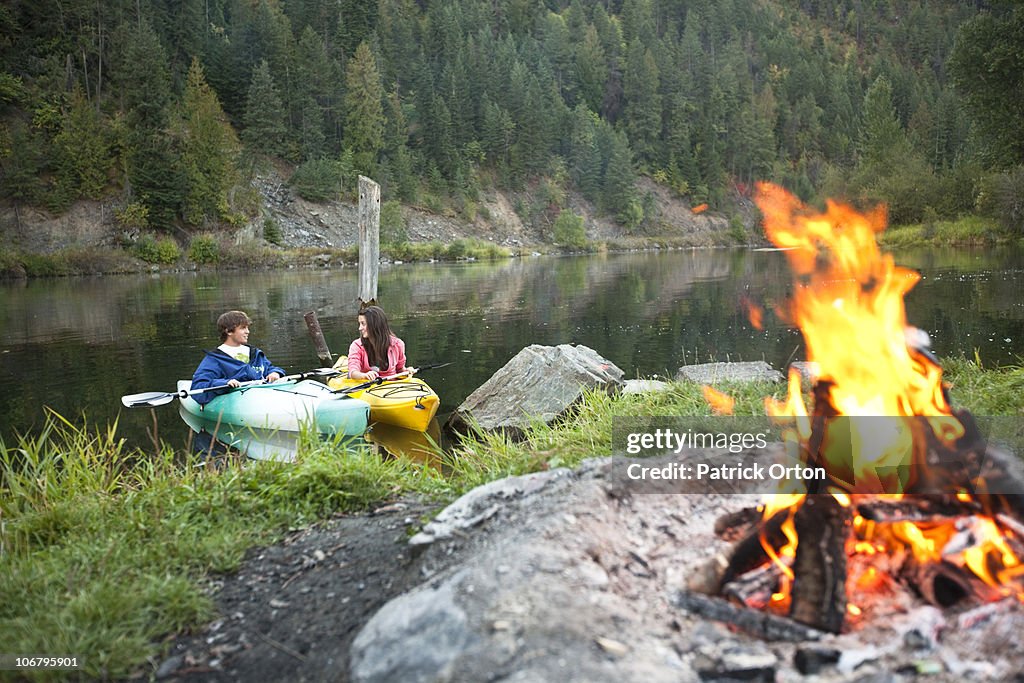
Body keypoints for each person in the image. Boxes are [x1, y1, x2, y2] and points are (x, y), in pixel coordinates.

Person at [190, 310, 285, 405]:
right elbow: (198, 387)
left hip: (263, 396)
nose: (248, 332)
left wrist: (275, 373)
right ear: (228, 331)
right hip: (239, 401)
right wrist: (225, 383)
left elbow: (269, 368)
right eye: (243, 328)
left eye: (247, 328)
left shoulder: (255, 353)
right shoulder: (214, 359)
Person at [348, 305, 413, 381]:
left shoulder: (397, 345)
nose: (360, 328)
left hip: (391, 386)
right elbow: (353, 372)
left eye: (363, 324)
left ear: (374, 325)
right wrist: (364, 375)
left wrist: (407, 371)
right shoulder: (356, 346)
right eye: (360, 324)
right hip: (367, 386)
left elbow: (400, 369)